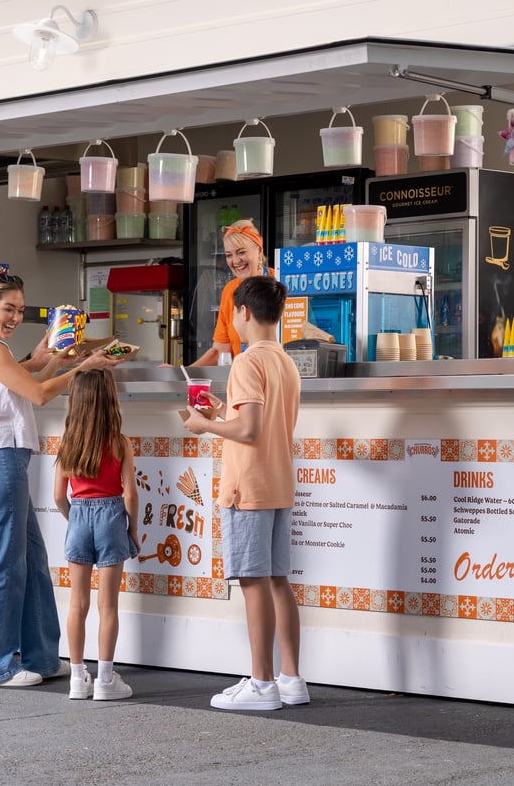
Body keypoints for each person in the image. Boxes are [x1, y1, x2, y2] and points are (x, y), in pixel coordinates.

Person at [0, 271, 120, 687]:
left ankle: (41, 657)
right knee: (6, 565)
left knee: (32, 562)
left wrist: (56, 359)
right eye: (9, 309)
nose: (16, 318)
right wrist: (85, 367)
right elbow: (38, 394)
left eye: (21, 310)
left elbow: (28, 382)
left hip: (2, 461)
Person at [180, 275, 306, 712]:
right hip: (278, 482)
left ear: (243, 312)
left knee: (253, 582)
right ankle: (290, 679)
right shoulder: (285, 361)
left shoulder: (247, 362)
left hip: (247, 486)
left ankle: (262, 684)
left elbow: (249, 430)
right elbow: (259, 421)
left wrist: (205, 424)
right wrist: (221, 411)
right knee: (277, 581)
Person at [52, 367, 140, 701]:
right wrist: (133, 529)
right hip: (112, 517)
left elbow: (58, 497)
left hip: (78, 517)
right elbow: (130, 495)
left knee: (78, 603)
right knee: (108, 605)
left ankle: (77, 679)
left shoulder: (67, 444)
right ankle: (105, 680)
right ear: (109, 400)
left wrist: (75, 517)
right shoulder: (120, 442)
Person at [199, 218, 267, 366]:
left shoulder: (280, 282)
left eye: (241, 252)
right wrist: (183, 372)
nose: (235, 261)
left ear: (259, 251)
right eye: (229, 255)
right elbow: (220, 351)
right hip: (242, 375)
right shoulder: (229, 291)